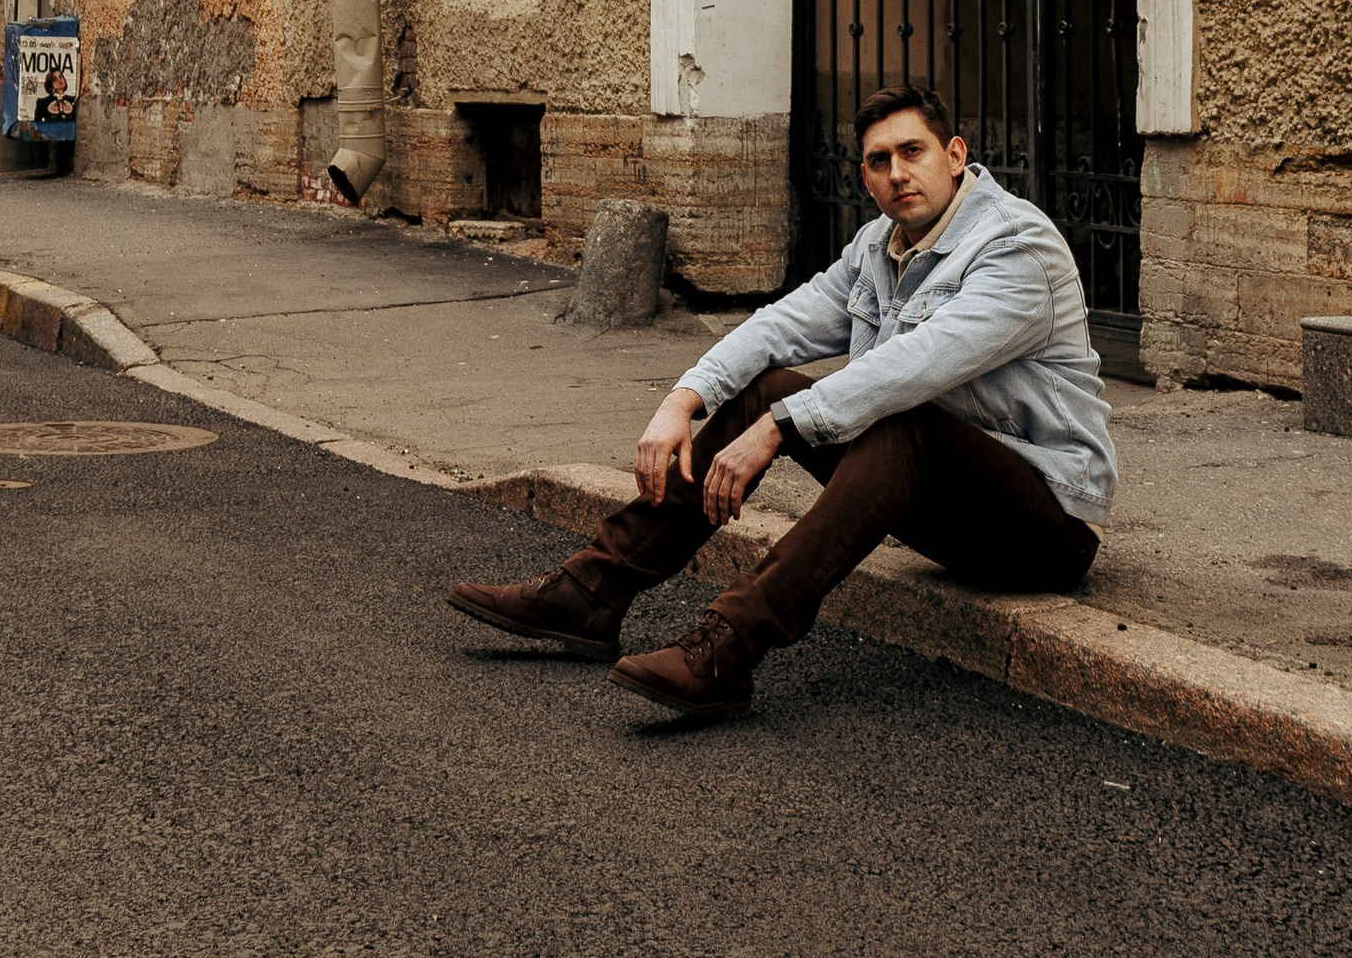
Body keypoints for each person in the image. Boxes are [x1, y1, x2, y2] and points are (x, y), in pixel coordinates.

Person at [447, 84, 1118, 720]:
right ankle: (592, 590)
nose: (897, 174)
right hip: (949, 510)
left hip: (1042, 526)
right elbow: (781, 327)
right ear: (864, 177)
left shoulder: (1015, 246)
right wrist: (684, 398)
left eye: (913, 152)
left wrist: (779, 429)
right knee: (767, 385)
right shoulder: (876, 248)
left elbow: (916, 365)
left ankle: (731, 646)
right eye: (879, 161)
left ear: (955, 155)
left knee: (893, 420)